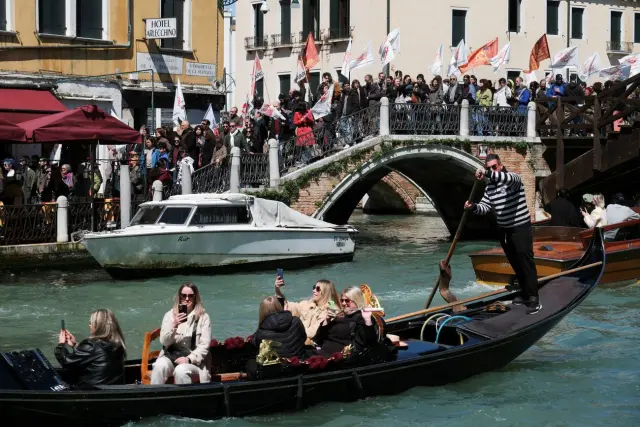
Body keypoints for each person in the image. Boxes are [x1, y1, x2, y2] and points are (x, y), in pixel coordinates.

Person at [464, 153, 541, 314]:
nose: (491, 170)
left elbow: (509, 179)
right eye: (489, 168)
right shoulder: (490, 187)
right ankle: (524, 293)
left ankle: (533, 298)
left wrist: (486, 173)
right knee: (514, 262)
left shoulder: (512, 179)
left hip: (520, 227)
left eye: (494, 167)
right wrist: (473, 207)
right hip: (504, 230)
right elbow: (486, 207)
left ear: (500, 166)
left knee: (525, 261)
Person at [151, 283, 212, 385]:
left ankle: (184, 399)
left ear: (195, 297)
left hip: (194, 361)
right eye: (184, 295)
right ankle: (154, 397)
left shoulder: (203, 317)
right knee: (159, 366)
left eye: (190, 296)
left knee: (181, 370)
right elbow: (164, 342)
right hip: (172, 356)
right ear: (179, 296)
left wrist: (189, 359)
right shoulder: (169, 315)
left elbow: (204, 346)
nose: (187, 299)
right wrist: (174, 325)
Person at [54, 309, 127, 389]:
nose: (89, 326)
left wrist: (61, 344)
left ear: (98, 326)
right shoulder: (118, 344)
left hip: (93, 391)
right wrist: (75, 344)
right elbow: (96, 355)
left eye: (90, 323)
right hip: (112, 389)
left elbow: (66, 362)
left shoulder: (91, 344)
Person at [313, 287, 377, 357]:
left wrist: (367, 320)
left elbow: (370, 343)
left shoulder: (361, 317)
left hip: (339, 357)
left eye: (347, 301)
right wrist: (326, 321)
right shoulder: (339, 315)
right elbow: (318, 339)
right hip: (322, 352)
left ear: (357, 301)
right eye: (342, 300)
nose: (343, 303)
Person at [274, 276, 340, 343]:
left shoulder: (330, 311)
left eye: (317, 289)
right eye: (314, 287)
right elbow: (287, 305)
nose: (313, 290)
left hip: (312, 345)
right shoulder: (308, 304)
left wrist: (293, 330)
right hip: (298, 337)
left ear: (325, 292)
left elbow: (314, 331)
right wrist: (277, 289)